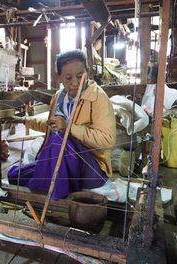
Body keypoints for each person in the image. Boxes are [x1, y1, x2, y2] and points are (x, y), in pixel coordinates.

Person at [8, 49, 116, 200]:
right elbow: (51, 125)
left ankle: (55, 198)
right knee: (14, 175)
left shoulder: (98, 98)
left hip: (92, 168)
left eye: (80, 76)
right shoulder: (58, 97)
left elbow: (107, 140)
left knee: (58, 141)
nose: (75, 83)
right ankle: (47, 185)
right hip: (62, 158)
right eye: (68, 78)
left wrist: (69, 128)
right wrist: (23, 120)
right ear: (59, 78)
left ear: (87, 71)